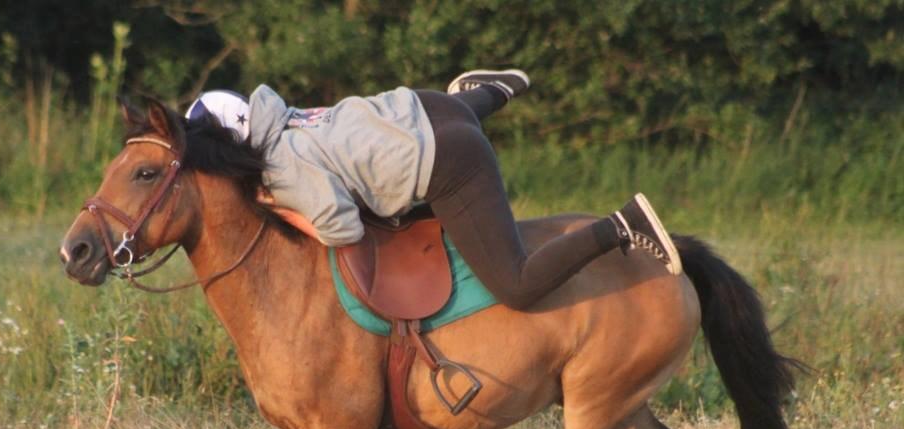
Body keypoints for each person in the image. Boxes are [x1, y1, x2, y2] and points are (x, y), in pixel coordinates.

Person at [184, 69, 681, 311]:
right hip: (430, 107)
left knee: (517, 286)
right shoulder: (283, 115)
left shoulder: (280, 168)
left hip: (450, 161)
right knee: (453, 112)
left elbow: (342, 226)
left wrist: (286, 212)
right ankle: (490, 93)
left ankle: (622, 225)